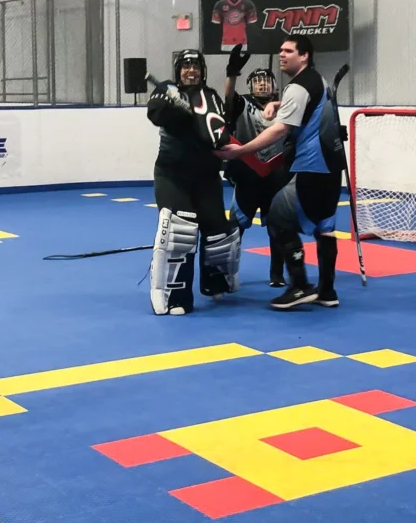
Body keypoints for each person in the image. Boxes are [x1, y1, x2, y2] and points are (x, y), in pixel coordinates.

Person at [216, 34, 343, 310]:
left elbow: (281, 129)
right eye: (280, 50)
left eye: (288, 50)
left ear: (304, 55)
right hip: (332, 170)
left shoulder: (298, 87)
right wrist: (277, 105)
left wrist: (240, 150)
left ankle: (299, 286)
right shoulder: (318, 81)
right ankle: (327, 291)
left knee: (277, 218)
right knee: (324, 227)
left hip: (312, 167)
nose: (282, 55)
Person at [146, 48, 241, 316]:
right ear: (178, 70)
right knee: (181, 232)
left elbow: (222, 127)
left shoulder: (211, 97)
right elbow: (154, 114)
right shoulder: (166, 89)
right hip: (172, 175)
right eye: (186, 66)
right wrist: (177, 108)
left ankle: (215, 283)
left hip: (207, 177)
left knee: (217, 231)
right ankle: (177, 296)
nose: (191, 70)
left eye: (196, 66)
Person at [222, 46, 288, 287]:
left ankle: (277, 274)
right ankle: (228, 271)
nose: (262, 85)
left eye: (266, 81)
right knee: (235, 227)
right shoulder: (243, 105)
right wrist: (232, 74)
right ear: (250, 87)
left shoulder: (285, 107)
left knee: (278, 227)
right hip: (248, 175)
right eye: (257, 82)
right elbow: (228, 98)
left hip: (276, 177)